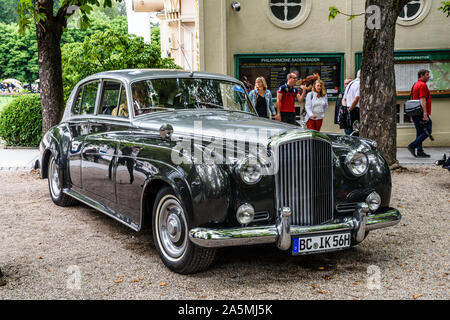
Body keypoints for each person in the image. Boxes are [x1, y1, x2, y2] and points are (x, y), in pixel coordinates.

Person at [407, 69, 433, 158]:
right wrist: (425, 114)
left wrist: (411, 115)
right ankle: (412, 145)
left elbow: (411, 99)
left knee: (420, 132)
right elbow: (422, 100)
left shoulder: (415, 84)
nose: (428, 76)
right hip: (421, 113)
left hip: (415, 113)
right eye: (427, 74)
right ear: (421, 75)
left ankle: (420, 151)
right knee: (428, 130)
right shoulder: (422, 85)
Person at [342, 70, 361, 135]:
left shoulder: (350, 83)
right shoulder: (359, 83)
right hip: (354, 110)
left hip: (348, 108)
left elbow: (344, 99)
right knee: (355, 132)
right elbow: (357, 98)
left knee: (348, 130)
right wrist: (350, 109)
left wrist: (345, 108)